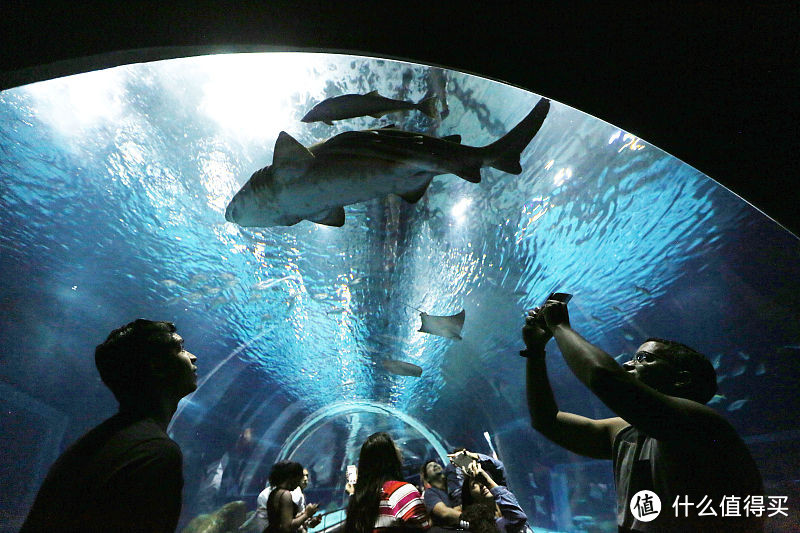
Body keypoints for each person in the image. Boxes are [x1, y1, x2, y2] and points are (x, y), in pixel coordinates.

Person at [522, 298, 764, 532]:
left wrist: (560, 327)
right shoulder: (626, 432)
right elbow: (547, 420)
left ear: (681, 379)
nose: (627, 365)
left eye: (644, 358)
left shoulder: (701, 423)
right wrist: (535, 352)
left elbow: (604, 377)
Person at [20, 319, 198, 532]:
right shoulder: (155, 452)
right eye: (180, 348)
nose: (192, 356)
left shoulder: (93, 444)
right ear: (157, 367)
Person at [343, 432, 431, 533]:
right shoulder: (403, 492)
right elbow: (422, 527)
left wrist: (353, 493)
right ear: (389, 455)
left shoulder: (360, 501)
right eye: (395, 446)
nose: (400, 450)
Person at [459, 462, 527, 533]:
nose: (482, 484)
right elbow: (518, 517)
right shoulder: (480, 526)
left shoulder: (507, 501)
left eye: (483, 478)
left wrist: (475, 456)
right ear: (470, 495)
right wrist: (488, 482)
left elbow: (499, 466)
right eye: (474, 484)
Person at [266, 461, 319, 533]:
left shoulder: (274, 493)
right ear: (292, 477)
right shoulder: (285, 495)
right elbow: (287, 527)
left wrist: (302, 514)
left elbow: (280, 520)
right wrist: (307, 514)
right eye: (298, 478)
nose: (298, 483)